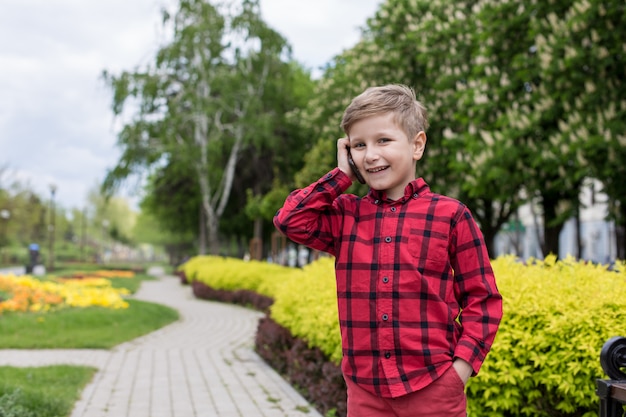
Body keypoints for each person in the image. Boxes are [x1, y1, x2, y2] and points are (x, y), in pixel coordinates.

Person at [273, 84, 502, 416]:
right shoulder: (345, 216)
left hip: (434, 387)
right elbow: (291, 220)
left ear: (416, 145)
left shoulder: (451, 215)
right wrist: (341, 175)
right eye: (359, 145)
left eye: (383, 140)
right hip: (366, 393)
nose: (371, 155)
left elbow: (483, 300)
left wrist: (460, 370)